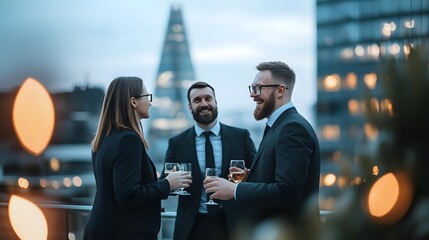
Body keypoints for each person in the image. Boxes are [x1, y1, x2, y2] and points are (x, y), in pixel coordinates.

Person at [205, 61, 321, 230]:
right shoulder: (279, 126)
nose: (252, 94)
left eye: (258, 88)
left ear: (280, 90)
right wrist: (251, 179)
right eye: (251, 88)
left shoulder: (292, 128)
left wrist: (235, 190)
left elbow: (287, 192)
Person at [83, 77, 192, 240]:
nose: (150, 102)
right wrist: (167, 184)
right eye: (147, 96)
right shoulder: (128, 140)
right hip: (125, 233)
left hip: (103, 229)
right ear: (133, 101)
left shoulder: (103, 139)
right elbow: (128, 195)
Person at [161, 81, 256, 240]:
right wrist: (172, 182)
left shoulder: (241, 137)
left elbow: (258, 175)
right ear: (190, 107)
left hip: (233, 226)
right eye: (197, 100)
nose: (204, 104)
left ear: (216, 102)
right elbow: (165, 182)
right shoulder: (177, 143)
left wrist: (247, 178)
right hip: (191, 227)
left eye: (208, 98)